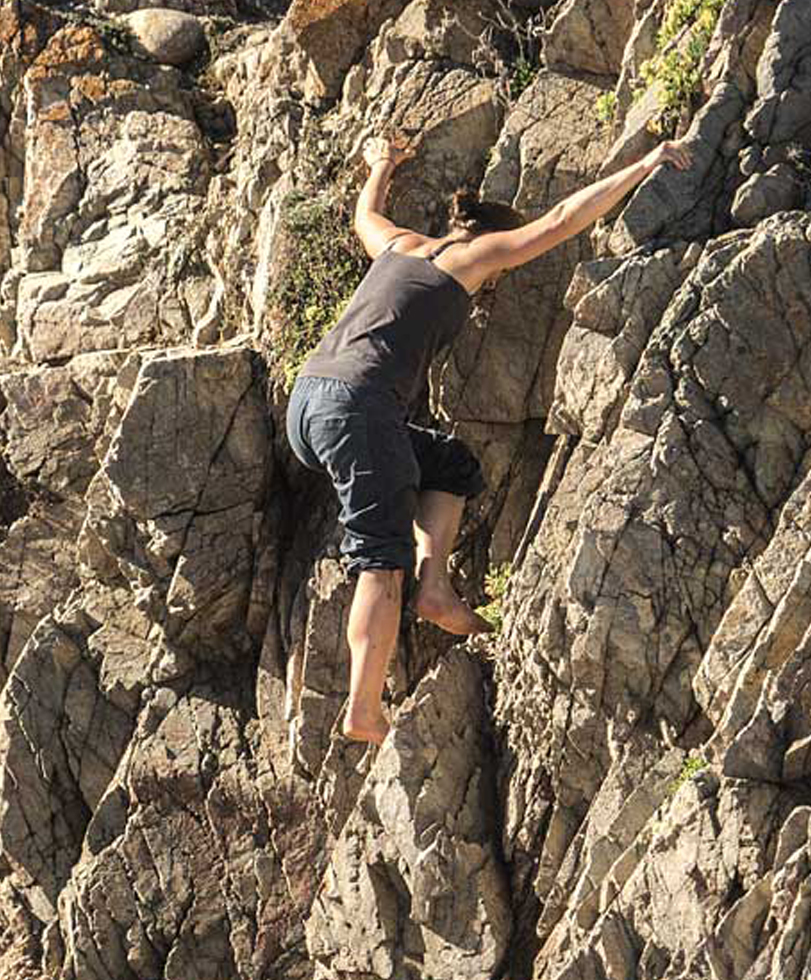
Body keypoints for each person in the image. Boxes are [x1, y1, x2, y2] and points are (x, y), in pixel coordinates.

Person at [285, 127, 697, 745]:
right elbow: (561, 219)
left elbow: (363, 215)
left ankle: (437, 587)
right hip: (360, 408)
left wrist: (382, 162)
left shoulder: (398, 246)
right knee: (380, 559)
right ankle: (363, 706)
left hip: (309, 403)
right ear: (487, 240)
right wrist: (647, 163)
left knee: (449, 464)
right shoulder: (470, 257)